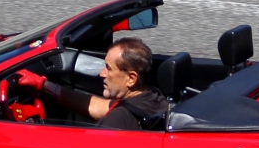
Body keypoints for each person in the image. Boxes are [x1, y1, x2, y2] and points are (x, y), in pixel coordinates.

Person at [14, 37, 167, 130]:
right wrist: (44, 85)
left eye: (108, 68)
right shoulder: (153, 97)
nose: (102, 73)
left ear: (131, 79)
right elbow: (98, 106)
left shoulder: (117, 121)